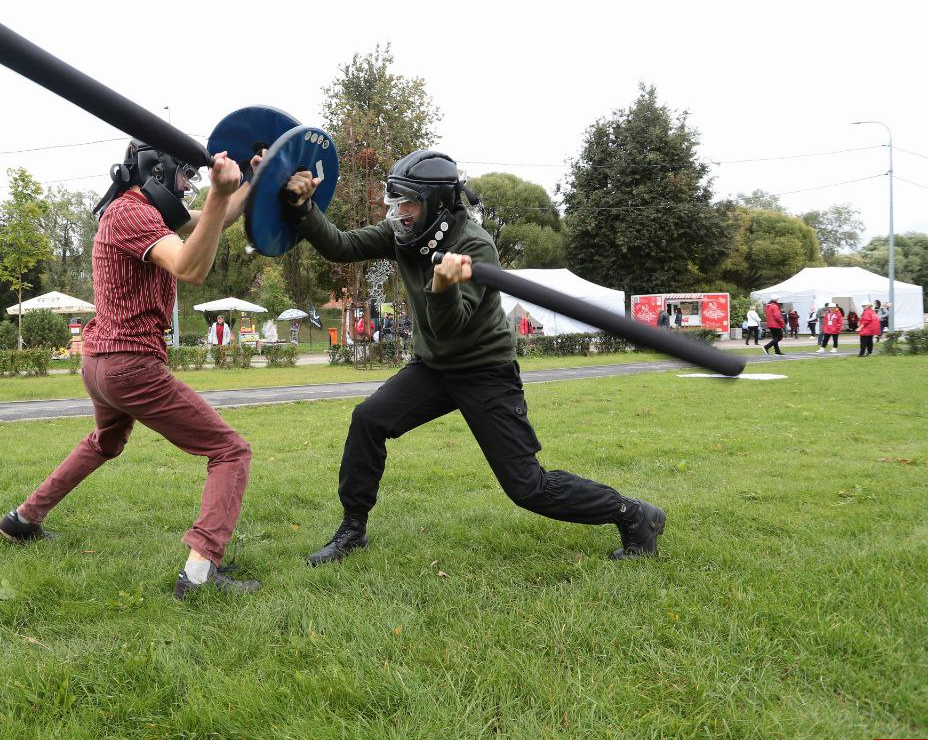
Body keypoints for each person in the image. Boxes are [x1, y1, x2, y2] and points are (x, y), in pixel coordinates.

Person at [281, 150, 666, 568]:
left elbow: (452, 326)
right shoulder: (403, 235)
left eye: (408, 203)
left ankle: (632, 513)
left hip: (485, 371)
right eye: (395, 202)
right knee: (369, 419)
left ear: (437, 204)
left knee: (528, 487)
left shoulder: (475, 246)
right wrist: (304, 207)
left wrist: (442, 287)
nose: (399, 212)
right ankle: (352, 530)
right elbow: (340, 245)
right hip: (433, 369)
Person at [0, 142, 261, 599]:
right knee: (230, 451)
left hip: (101, 364)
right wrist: (218, 193)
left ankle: (22, 520)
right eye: (184, 177)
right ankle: (199, 575)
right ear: (157, 172)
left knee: (106, 442)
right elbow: (190, 267)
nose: (189, 187)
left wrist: (251, 182)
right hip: (129, 366)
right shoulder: (132, 214)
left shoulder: (143, 212)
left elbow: (218, 216)